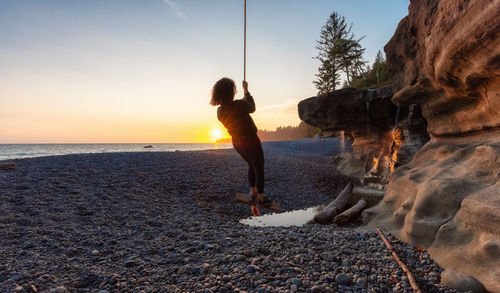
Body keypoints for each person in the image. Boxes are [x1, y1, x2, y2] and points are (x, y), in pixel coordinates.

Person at [210, 77, 272, 206]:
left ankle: (252, 193)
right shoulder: (240, 104)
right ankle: (261, 198)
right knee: (259, 167)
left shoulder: (219, 111)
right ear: (231, 92)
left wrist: (244, 97)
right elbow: (252, 108)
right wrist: (246, 91)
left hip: (237, 143)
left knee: (251, 164)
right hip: (250, 140)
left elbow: (240, 108)